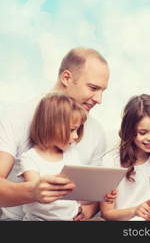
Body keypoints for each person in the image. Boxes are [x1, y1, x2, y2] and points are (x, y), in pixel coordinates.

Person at [0, 47, 110, 220]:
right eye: (93, 88)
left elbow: (92, 194)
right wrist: (33, 191)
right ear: (66, 77)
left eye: (103, 91)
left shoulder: (97, 133)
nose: (99, 99)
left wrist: (86, 212)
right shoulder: (16, 117)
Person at [100, 94, 150, 221]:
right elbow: (107, 213)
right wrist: (134, 211)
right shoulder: (111, 161)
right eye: (143, 133)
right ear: (129, 131)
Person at [19, 93, 90, 221]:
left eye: (77, 130)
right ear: (51, 127)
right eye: (71, 130)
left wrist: (99, 195)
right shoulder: (30, 158)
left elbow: (81, 192)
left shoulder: (72, 153)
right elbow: (37, 193)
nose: (75, 136)